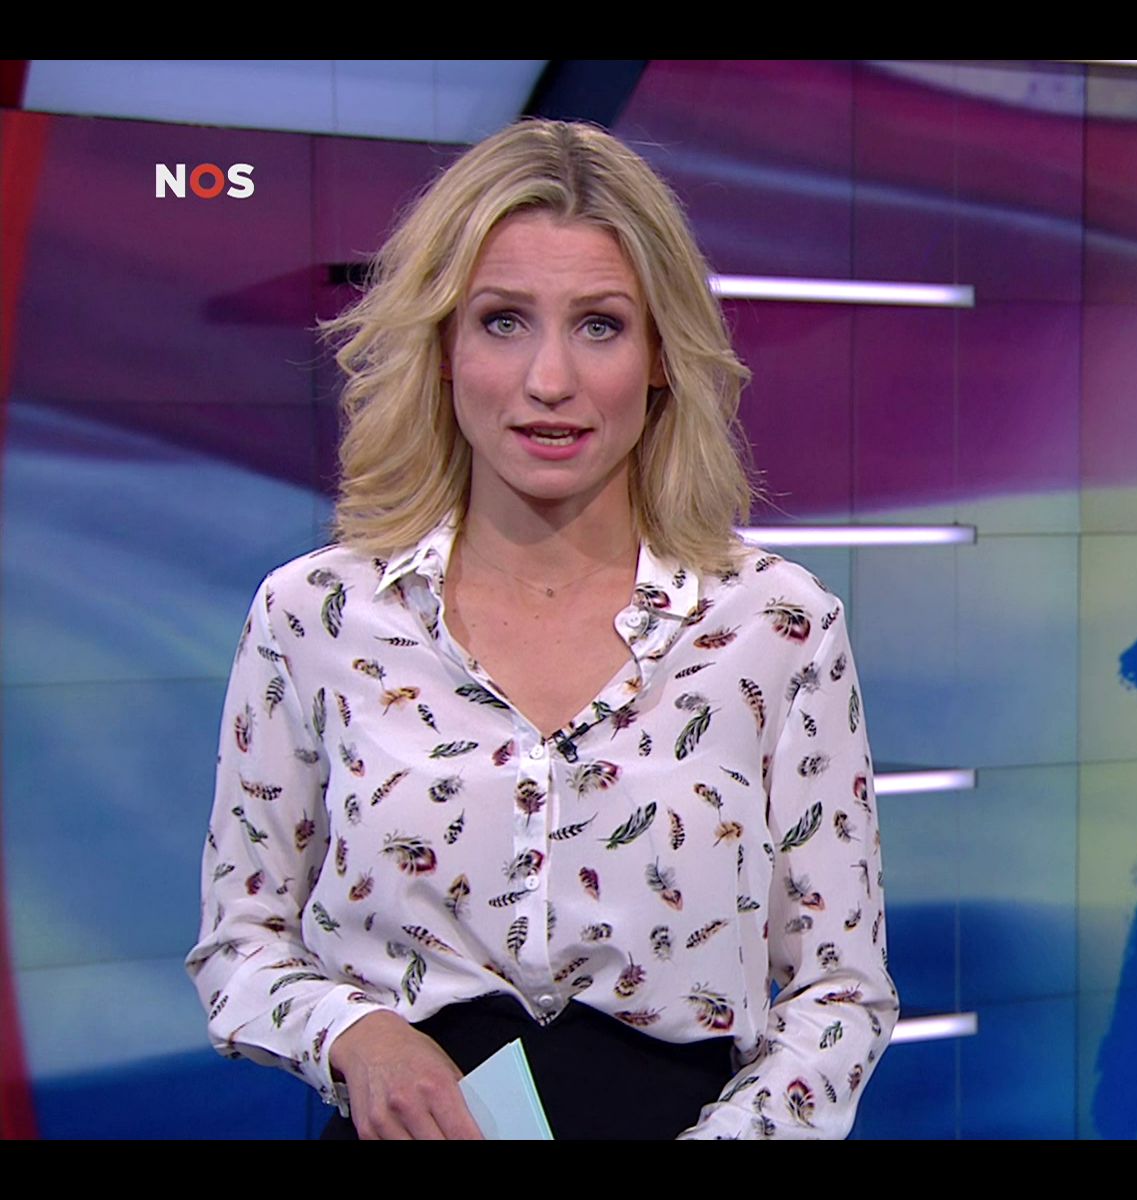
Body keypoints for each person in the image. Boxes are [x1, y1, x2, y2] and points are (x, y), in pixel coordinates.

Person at [185, 118, 896, 1139]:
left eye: (600, 325)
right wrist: (357, 1035)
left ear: (661, 356)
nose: (549, 380)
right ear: (442, 346)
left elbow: (841, 994)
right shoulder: (316, 615)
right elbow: (239, 944)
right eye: (504, 321)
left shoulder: (778, 627)